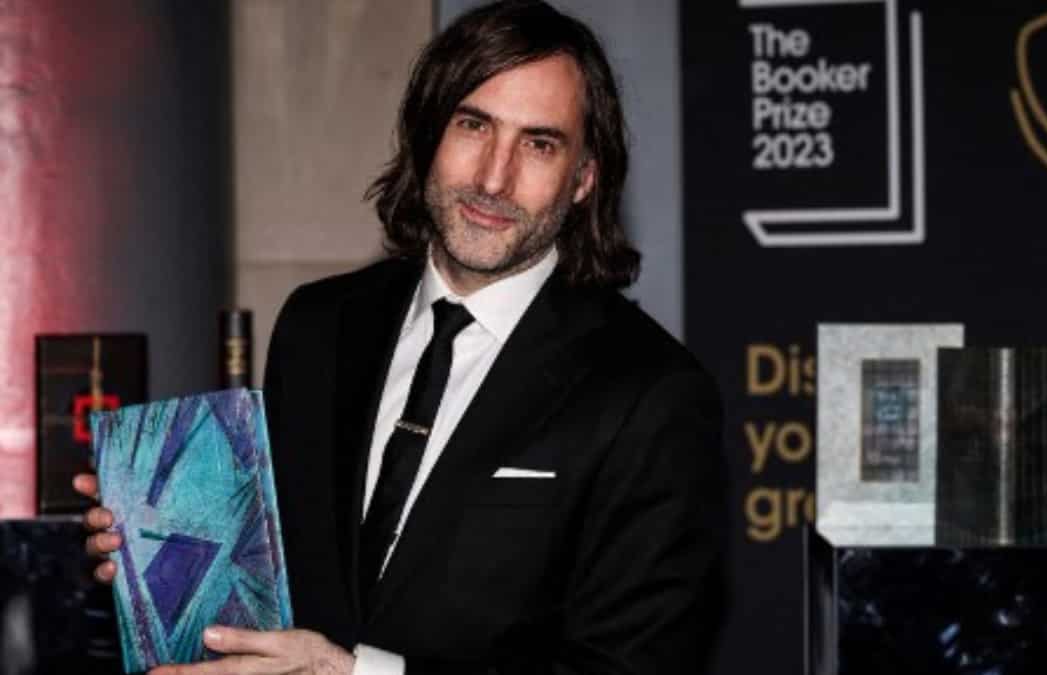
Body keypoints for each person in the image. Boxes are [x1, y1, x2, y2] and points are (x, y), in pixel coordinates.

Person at [76, 1, 725, 673]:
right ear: (427, 133)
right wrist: (160, 555)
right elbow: (271, 575)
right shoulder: (317, 325)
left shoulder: (651, 394)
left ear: (585, 178)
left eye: (539, 144)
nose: (494, 178)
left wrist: (353, 673)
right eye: (473, 125)